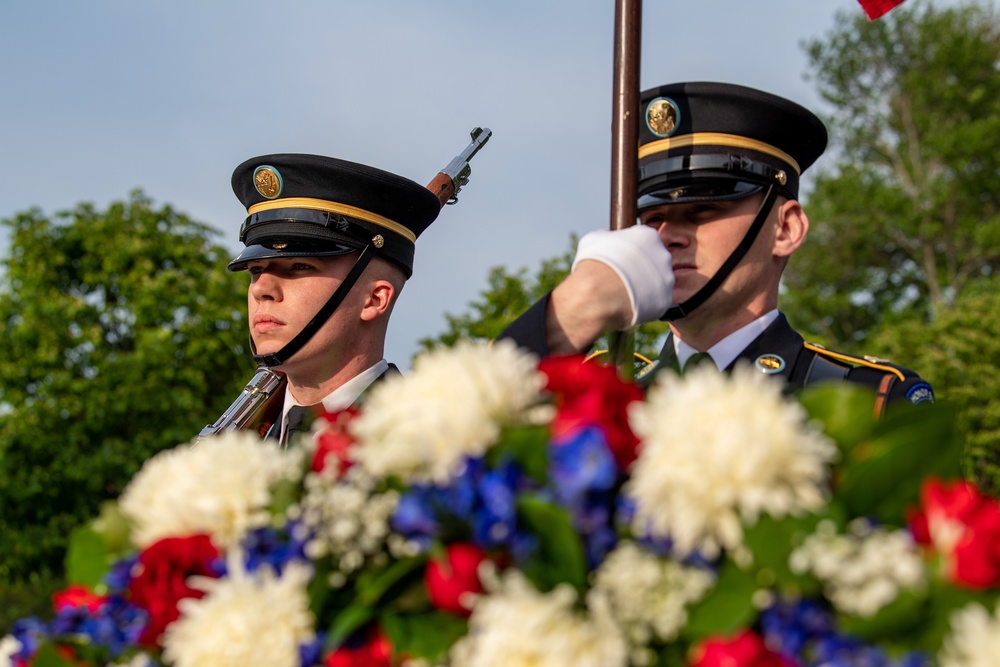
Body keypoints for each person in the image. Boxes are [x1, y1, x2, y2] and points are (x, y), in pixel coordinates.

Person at [500, 81, 934, 416]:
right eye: (652, 219)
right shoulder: (593, 390)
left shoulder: (868, 401)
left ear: (785, 228)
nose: (668, 235)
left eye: (703, 211)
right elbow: (467, 430)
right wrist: (577, 307)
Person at [227, 153, 442, 443]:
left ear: (374, 299)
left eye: (299, 267)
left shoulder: (424, 445)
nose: (261, 288)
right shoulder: (244, 452)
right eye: (255, 270)